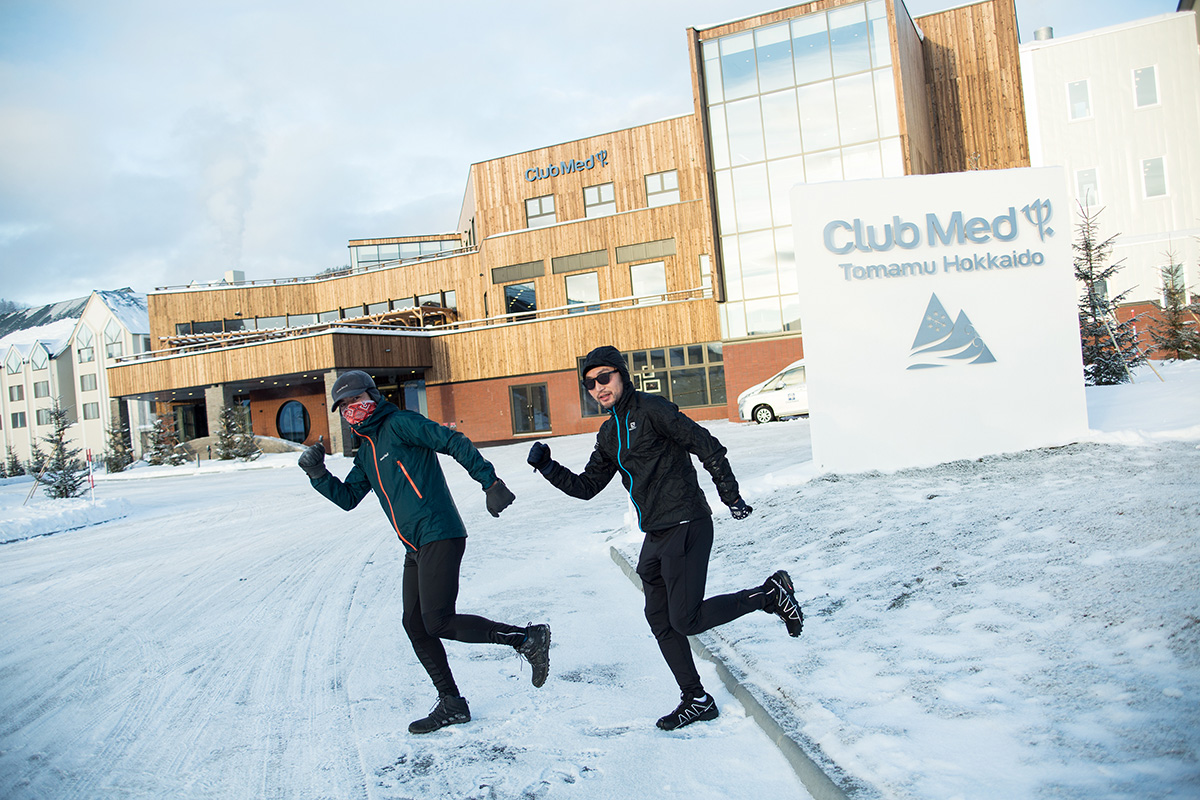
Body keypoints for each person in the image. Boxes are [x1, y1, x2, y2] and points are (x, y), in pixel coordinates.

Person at [526, 346, 802, 731]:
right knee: (659, 618)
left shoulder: (654, 410)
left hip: (687, 520)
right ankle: (697, 699)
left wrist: (730, 494)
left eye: (604, 377)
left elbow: (704, 443)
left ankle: (769, 595)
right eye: (590, 383)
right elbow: (587, 486)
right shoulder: (609, 433)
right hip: (656, 533)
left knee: (685, 619)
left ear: (622, 375)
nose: (598, 387)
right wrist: (547, 467)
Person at [298, 370, 550, 734]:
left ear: (371, 395)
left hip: (439, 532)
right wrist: (319, 475)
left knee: (438, 621)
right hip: (414, 546)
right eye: (344, 406)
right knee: (415, 624)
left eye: (355, 400)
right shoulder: (366, 451)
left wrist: (490, 482)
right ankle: (452, 703)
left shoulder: (400, 424)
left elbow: (452, 440)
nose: (351, 410)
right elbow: (349, 498)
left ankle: (528, 639)